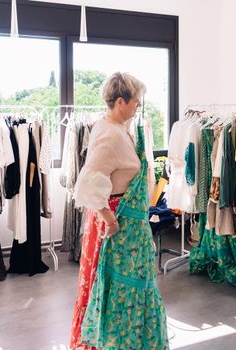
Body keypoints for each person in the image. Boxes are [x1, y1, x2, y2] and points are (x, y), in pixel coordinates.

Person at [69, 72, 169, 350]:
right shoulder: (109, 136)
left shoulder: (119, 127)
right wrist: (110, 222)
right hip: (119, 228)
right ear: (121, 101)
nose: (139, 105)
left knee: (133, 287)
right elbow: (88, 186)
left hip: (132, 228)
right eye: (136, 100)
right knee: (117, 289)